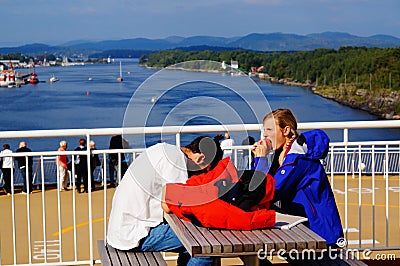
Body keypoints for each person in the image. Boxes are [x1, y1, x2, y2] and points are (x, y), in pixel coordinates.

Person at [107, 136, 223, 266]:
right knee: (207, 246)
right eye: (206, 170)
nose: (201, 174)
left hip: (120, 229)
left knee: (191, 245)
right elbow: (171, 206)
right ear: (201, 158)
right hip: (133, 235)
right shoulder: (176, 161)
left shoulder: (164, 150)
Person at [251, 108, 343, 246]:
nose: (265, 135)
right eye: (264, 130)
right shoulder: (282, 156)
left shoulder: (299, 159)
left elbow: (272, 190)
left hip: (322, 234)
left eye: (269, 130)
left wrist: (261, 159)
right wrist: (257, 160)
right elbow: (258, 188)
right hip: (304, 229)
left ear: (286, 130)